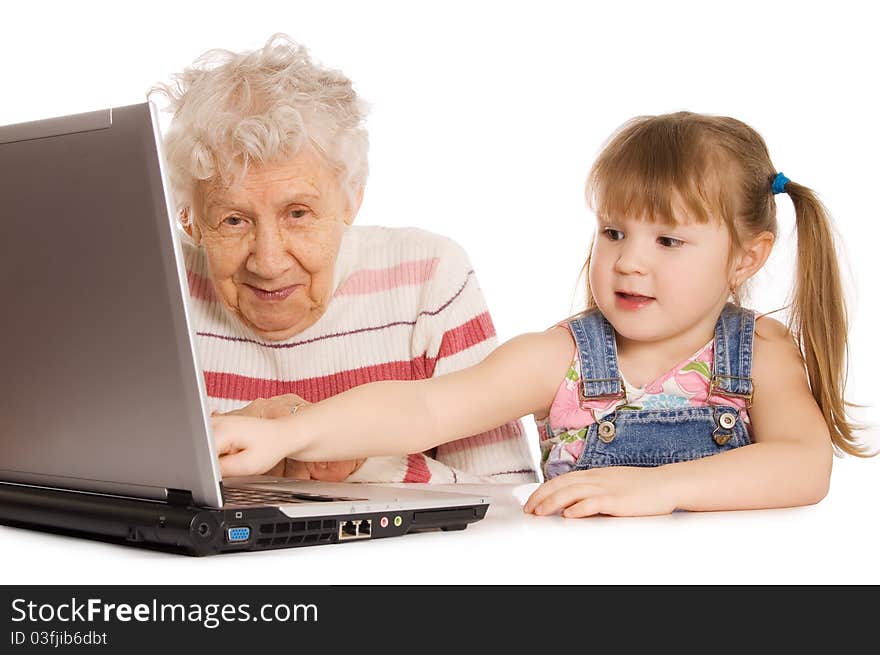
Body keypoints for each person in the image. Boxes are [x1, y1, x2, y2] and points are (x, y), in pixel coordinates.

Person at [212, 111, 874, 517]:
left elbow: (803, 465)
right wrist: (288, 437)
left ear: (746, 258)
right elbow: (424, 408)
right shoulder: (562, 357)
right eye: (614, 232)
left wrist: (658, 489)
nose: (629, 262)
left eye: (668, 240)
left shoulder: (759, 349)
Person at [150, 34, 538, 485]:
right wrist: (225, 448)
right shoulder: (156, 288)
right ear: (189, 220)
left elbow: (507, 500)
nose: (269, 262)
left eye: (298, 213)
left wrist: (357, 461)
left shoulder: (427, 279)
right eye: (234, 220)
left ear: (352, 199)